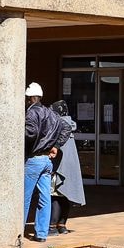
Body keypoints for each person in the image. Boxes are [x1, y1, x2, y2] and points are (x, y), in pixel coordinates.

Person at [22, 81, 60, 242]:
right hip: (46, 161)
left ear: (29, 98)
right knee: (45, 198)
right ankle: (42, 234)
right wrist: (54, 145)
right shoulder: (50, 112)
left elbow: (30, 133)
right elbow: (63, 127)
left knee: (24, 197)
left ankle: (17, 231)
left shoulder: (31, 113)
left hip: (34, 159)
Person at [48, 99, 85, 234]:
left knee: (56, 195)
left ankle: (52, 226)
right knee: (66, 195)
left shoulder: (58, 126)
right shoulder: (70, 125)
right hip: (70, 166)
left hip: (59, 167)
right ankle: (62, 225)